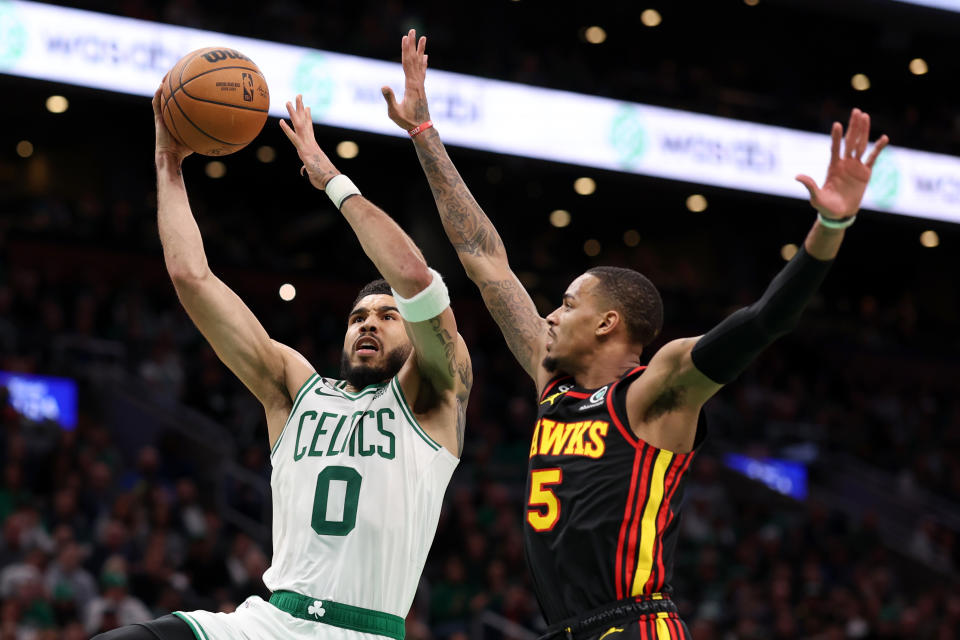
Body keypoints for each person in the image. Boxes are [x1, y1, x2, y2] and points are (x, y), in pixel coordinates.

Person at [381, 29, 888, 640]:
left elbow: (763, 323)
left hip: (637, 626)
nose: (549, 316)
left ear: (607, 323)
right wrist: (424, 134)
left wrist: (829, 227)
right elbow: (483, 258)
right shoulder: (553, 382)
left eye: (566, 304)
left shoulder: (658, 391)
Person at [93, 86, 472, 639]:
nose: (367, 322)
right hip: (269, 621)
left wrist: (331, 181)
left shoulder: (436, 394)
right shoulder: (296, 389)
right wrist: (168, 161)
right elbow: (192, 278)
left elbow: (415, 278)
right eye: (357, 316)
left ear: (415, 335)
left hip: (364, 630)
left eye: (388, 316)